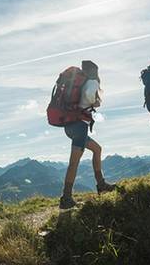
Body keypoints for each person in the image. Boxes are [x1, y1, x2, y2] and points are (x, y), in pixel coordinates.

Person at [59, 60, 116, 209]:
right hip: (80, 126)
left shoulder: (79, 81)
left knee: (97, 149)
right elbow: (90, 95)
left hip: (70, 125)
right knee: (74, 162)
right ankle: (66, 197)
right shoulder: (91, 82)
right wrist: (95, 102)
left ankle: (101, 184)